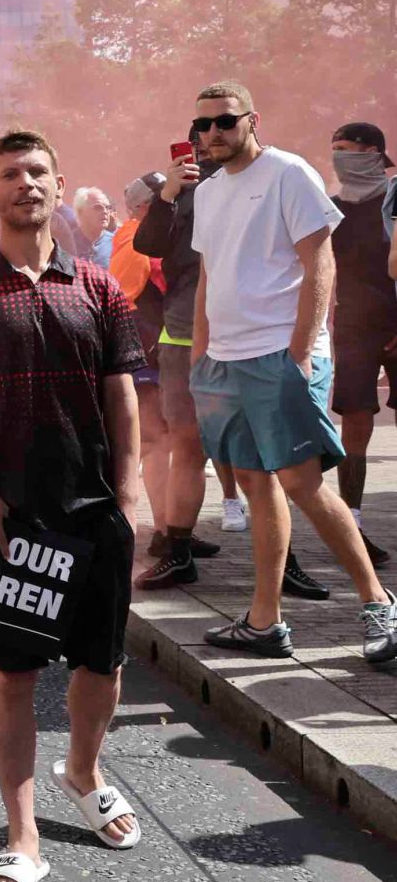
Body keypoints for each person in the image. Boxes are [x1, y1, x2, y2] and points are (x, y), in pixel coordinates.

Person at [0, 130, 143, 882]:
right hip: (4, 512)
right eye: (10, 173)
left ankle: (83, 771)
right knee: (11, 672)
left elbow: (121, 389)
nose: (26, 183)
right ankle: (23, 836)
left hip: (93, 506)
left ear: (58, 182)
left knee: (101, 663)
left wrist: (130, 487)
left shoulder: (98, 286)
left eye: (37, 171)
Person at [184, 85, 396, 663]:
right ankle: (264, 621)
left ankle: (380, 602)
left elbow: (319, 261)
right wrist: (201, 357)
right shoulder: (207, 193)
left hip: (281, 354)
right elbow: (209, 277)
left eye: (224, 122)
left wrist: (301, 354)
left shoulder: (288, 172)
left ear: (252, 119)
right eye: (201, 126)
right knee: (257, 485)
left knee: (301, 483)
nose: (212, 134)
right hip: (225, 361)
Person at [132, 129, 275, 591]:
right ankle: (176, 550)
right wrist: (169, 193)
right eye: (199, 137)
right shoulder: (178, 193)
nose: (209, 143)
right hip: (182, 335)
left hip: (247, 333)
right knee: (187, 446)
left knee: (259, 452)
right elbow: (147, 245)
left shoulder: (263, 182)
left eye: (223, 127)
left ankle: (283, 561)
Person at [328, 122, 397, 567]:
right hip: (353, 327)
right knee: (354, 422)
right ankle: (351, 524)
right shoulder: (329, 208)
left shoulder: (394, 197)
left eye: (345, 149)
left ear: (372, 152)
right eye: (332, 150)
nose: (337, 157)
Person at [112, 174, 171, 558]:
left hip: (153, 340)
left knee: (163, 441)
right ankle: (161, 528)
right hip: (145, 343)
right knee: (153, 440)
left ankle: (172, 526)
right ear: (146, 205)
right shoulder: (136, 237)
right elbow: (136, 288)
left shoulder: (138, 233)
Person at [71, 187, 114, 267]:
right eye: (98, 207)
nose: (105, 212)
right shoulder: (67, 243)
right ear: (80, 212)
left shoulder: (116, 243)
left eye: (107, 208)